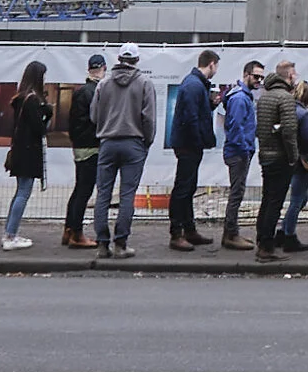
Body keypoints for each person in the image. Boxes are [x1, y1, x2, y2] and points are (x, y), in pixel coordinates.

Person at [91, 45, 156, 259]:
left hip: (108, 142)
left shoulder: (104, 83)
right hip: (134, 143)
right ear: (137, 60)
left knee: (103, 194)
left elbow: (94, 115)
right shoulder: (145, 83)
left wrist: (106, 128)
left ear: (118, 59)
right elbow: (149, 118)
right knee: (127, 195)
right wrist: (146, 141)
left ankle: (102, 244)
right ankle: (121, 244)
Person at [167, 48, 221, 254]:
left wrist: (210, 105)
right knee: (183, 188)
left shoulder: (195, 84)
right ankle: (177, 233)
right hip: (189, 144)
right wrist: (200, 140)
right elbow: (190, 117)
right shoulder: (193, 85)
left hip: (188, 143)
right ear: (212, 64)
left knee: (188, 187)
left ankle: (188, 230)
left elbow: (194, 112)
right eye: (216, 66)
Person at [251, 60, 302, 264]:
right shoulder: (285, 98)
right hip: (280, 157)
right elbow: (289, 131)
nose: (296, 76)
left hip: (266, 155)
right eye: (294, 73)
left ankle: (261, 239)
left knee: (267, 198)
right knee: (275, 202)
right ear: (288, 76)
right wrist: (293, 157)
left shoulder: (265, 97)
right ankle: (267, 247)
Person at [0, 59, 51, 252]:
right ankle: (10, 235)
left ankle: (9, 232)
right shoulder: (31, 100)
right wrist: (46, 114)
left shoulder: (21, 98)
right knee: (23, 193)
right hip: (29, 152)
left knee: (19, 192)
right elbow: (39, 128)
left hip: (20, 151)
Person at [218, 59, 263, 253]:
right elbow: (235, 127)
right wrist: (244, 149)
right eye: (256, 76)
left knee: (237, 192)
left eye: (261, 77)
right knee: (236, 193)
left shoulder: (243, 96)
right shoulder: (240, 98)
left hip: (240, 150)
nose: (259, 80)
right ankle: (230, 234)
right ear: (246, 74)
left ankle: (232, 232)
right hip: (239, 153)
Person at [62, 53, 105, 249]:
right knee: (84, 190)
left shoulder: (81, 91)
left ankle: (69, 229)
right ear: (103, 69)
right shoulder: (97, 91)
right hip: (92, 147)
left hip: (79, 146)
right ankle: (77, 234)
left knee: (79, 189)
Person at [277, 78, 308, 254]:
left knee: (300, 198)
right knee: (297, 199)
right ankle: (289, 235)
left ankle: (282, 231)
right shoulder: (304, 114)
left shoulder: (289, 110)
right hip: (303, 160)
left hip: (290, 159)